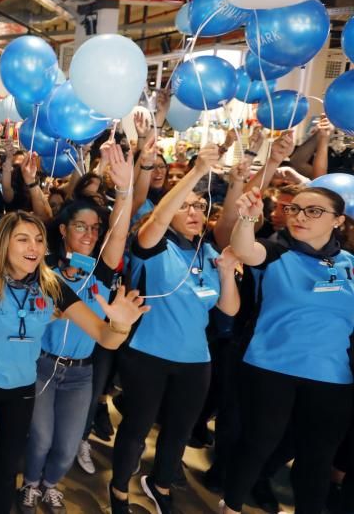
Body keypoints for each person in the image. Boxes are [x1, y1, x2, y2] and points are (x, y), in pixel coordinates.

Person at [0, 208, 148, 514]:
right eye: (22, 239)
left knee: (6, 474)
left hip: (21, 390)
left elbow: (104, 336)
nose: (33, 247)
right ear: (4, 243)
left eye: (38, 240)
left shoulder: (52, 286)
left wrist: (121, 324)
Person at [109, 143, 240, 514]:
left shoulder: (208, 253)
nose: (195, 211)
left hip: (196, 360)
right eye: (186, 206)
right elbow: (157, 221)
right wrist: (197, 171)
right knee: (136, 429)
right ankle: (119, 489)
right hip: (147, 354)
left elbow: (228, 309)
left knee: (179, 431)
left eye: (200, 206)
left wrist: (227, 273)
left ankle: (160, 483)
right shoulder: (150, 245)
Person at [19, 142, 136, 513]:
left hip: (82, 372)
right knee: (39, 438)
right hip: (41, 366)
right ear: (65, 230)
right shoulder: (46, 267)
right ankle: (31, 483)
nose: (88, 234)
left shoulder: (101, 269)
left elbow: (119, 234)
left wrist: (125, 190)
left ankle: (51, 484)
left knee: (67, 444)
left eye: (94, 228)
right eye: (80, 227)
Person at [225, 185, 354, 514]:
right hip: (271, 367)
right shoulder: (277, 252)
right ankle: (231, 506)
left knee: (317, 459)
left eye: (314, 211)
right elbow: (242, 248)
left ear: (337, 220)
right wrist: (247, 218)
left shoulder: (350, 265)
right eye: (295, 209)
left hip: (332, 376)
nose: (300, 217)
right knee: (257, 445)